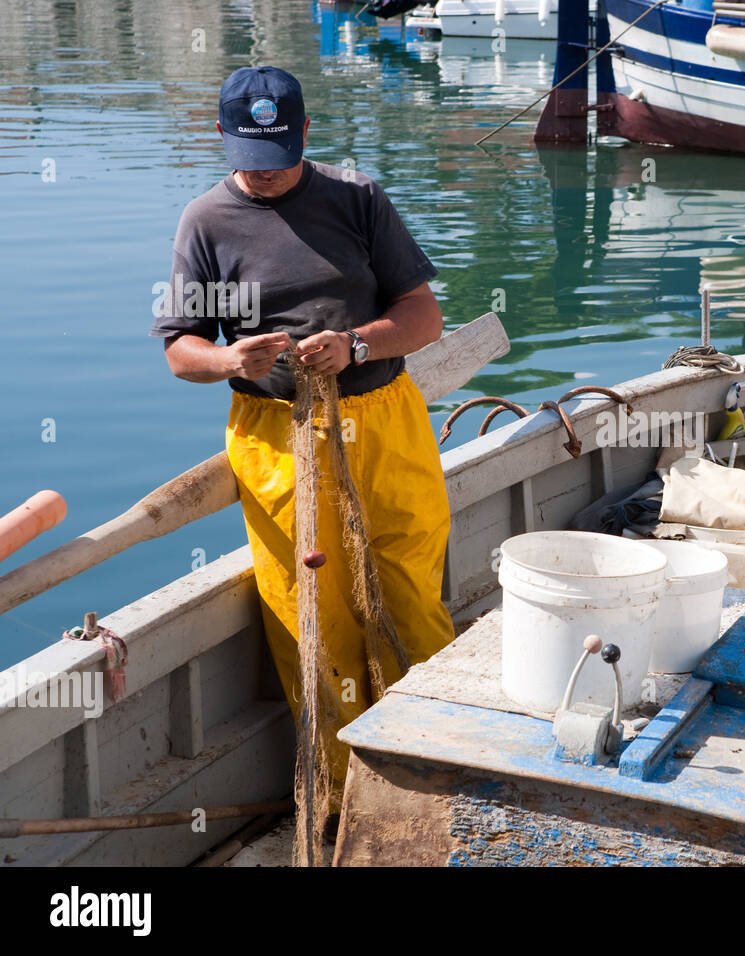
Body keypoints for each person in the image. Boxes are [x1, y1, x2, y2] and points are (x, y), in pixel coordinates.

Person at [150, 66, 455, 797]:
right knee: (311, 616)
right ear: (221, 138)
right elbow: (178, 350)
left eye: (281, 159)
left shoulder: (357, 198)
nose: (266, 176)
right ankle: (345, 794)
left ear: (306, 135)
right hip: (277, 434)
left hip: (383, 420)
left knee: (412, 591)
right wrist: (230, 357)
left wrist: (358, 343)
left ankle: (441, 767)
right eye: (252, 163)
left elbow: (423, 314)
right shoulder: (205, 222)